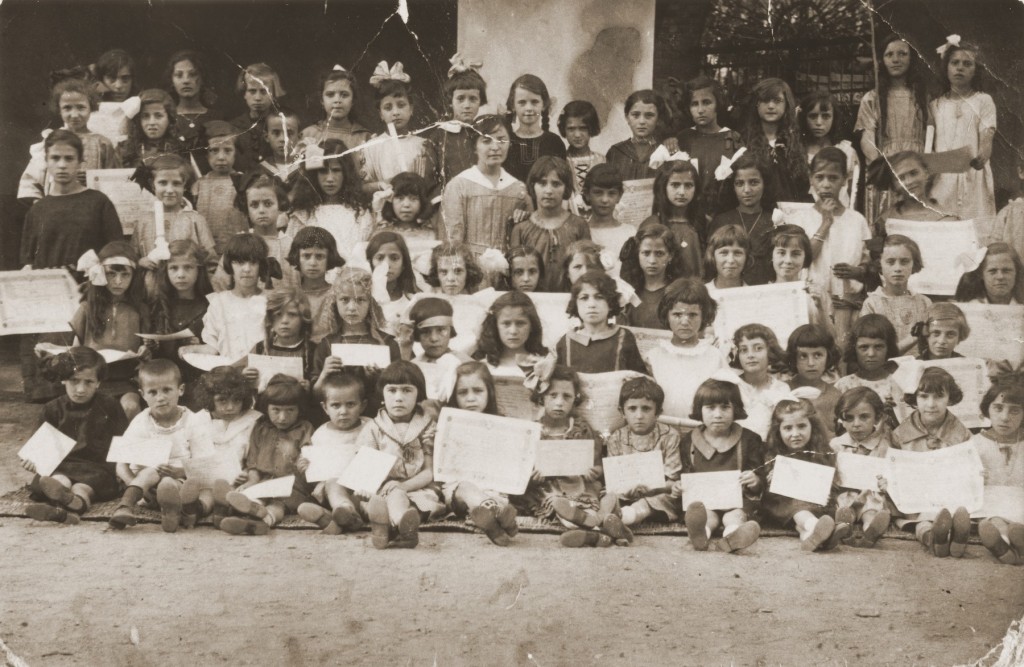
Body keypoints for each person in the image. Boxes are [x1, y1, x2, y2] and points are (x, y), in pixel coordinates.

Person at [18, 130, 123, 402]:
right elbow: (27, 258)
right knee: (45, 387)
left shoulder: (98, 203)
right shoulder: (38, 209)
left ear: (80, 162)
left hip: (86, 299)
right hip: (47, 303)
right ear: (47, 162)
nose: (62, 165)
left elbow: (117, 251)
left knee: (81, 381)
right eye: (56, 158)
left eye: (69, 158)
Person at [21, 348, 127, 524]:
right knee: (56, 480)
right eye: (74, 381)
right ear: (63, 379)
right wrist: (33, 462)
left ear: (98, 382)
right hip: (62, 465)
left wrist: (121, 472)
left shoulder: (110, 406)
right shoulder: (52, 409)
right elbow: (39, 447)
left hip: (96, 467)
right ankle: (65, 504)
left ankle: (67, 505)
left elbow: (123, 442)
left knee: (84, 487)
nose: (80, 389)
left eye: (88, 382)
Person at [108, 359, 213, 531]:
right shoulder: (142, 421)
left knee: (208, 491)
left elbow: (204, 464)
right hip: (146, 488)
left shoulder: (193, 421)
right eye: (153, 392)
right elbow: (121, 464)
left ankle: (187, 510)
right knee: (151, 471)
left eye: (167, 390)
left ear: (181, 390)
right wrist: (135, 487)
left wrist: (181, 471)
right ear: (142, 394)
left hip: (182, 482)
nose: (161, 398)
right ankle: (125, 506)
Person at [787, 147, 871, 346]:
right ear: (811, 178)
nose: (825, 185)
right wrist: (825, 222)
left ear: (845, 179)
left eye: (833, 178)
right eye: (820, 177)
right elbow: (804, 259)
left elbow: (866, 259)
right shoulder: (800, 218)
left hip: (847, 303)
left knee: (843, 350)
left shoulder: (856, 219)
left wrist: (858, 271)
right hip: (813, 302)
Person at [359, 361, 445, 549]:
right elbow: (366, 471)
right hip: (382, 489)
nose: (399, 398)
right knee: (373, 502)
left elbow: (429, 472)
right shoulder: (374, 428)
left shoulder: (427, 426)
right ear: (382, 394)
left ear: (419, 394)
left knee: (416, 503)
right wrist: (368, 486)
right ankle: (400, 527)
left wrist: (402, 487)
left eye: (407, 390)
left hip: (418, 486)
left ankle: (392, 526)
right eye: (392, 390)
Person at [890, 367, 972, 558]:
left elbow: (966, 468)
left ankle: (957, 538)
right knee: (920, 520)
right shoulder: (900, 435)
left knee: (952, 511)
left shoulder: (961, 434)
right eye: (924, 396)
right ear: (914, 398)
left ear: (950, 398)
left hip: (946, 492)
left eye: (938, 397)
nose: (931, 404)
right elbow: (894, 468)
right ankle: (933, 538)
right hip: (914, 497)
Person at [676, 377, 764, 553]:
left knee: (735, 516)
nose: (718, 414)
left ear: (735, 409)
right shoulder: (688, 441)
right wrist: (679, 486)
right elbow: (685, 474)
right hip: (705, 501)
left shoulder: (749, 439)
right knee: (706, 516)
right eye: (710, 408)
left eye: (725, 407)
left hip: (737, 501)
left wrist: (755, 481)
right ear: (699, 410)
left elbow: (760, 473)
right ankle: (701, 535)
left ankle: (733, 537)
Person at [222, 374, 316, 535]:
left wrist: (306, 463)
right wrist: (252, 480)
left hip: (292, 485)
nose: (282, 417)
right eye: (276, 410)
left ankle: (267, 519)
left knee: (278, 504)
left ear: (299, 409)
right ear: (266, 407)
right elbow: (253, 460)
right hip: (264, 481)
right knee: (250, 495)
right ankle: (253, 512)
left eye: (290, 410)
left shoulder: (304, 428)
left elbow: (308, 454)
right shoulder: (261, 428)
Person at [856, 34, 933, 226]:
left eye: (902, 54)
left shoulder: (923, 97)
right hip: (886, 170)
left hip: (915, 170)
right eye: (889, 55)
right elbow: (867, 139)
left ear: (911, 58)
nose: (896, 59)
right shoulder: (872, 98)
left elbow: (932, 136)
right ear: (882, 60)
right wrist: (885, 169)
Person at [442, 362, 519, 546]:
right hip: (458, 489)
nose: (470, 398)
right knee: (467, 488)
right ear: (454, 395)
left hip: (492, 485)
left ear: (489, 392)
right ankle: (497, 515)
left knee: (496, 495)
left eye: (478, 391)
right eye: (463, 392)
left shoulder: (502, 424)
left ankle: (493, 524)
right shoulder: (447, 423)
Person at [71, 242, 150, 419]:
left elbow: (147, 347)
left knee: (130, 407)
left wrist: (145, 351)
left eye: (125, 275)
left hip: (126, 378)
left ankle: (125, 446)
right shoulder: (86, 308)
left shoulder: (140, 310)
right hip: (93, 378)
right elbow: (75, 349)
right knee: (94, 413)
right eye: (111, 274)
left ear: (133, 277)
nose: (118, 281)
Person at [762, 395, 850, 551]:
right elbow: (766, 488)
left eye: (801, 426)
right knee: (797, 507)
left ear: (812, 427)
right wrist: (771, 477)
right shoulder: (773, 455)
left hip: (816, 502)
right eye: (788, 428)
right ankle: (814, 526)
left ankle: (810, 535)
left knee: (813, 512)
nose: (795, 433)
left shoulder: (822, 451)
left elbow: (832, 479)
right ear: (778, 431)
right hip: (784, 504)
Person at [18, 75, 120, 202]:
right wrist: (39, 203)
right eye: (67, 108)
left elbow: (115, 181)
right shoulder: (52, 141)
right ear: (59, 110)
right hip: (57, 205)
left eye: (81, 107)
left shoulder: (102, 143)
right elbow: (31, 180)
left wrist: (93, 178)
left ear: (91, 108)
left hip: (91, 208)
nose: (74, 115)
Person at [440, 114, 529, 256]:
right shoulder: (459, 186)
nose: (495, 147)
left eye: (501, 140)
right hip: (471, 267)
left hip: (508, 267)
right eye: (486, 141)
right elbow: (453, 240)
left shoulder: (518, 189)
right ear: (474, 146)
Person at [602, 377, 683, 529]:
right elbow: (613, 481)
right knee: (607, 497)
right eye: (632, 408)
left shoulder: (670, 436)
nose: (639, 416)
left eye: (646, 409)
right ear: (622, 411)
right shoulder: (616, 438)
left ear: (658, 412)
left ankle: (624, 518)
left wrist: (653, 488)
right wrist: (625, 490)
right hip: (625, 494)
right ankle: (600, 520)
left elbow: (672, 481)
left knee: (661, 500)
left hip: (657, 494)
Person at [930, 38, 996, 221]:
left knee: (974, 228)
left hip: (973, 173)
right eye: (955, 63)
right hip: (943, 178)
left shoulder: (983, 101)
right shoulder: (936, 105)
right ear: (946, 68)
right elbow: (931, 142)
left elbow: (987, 134)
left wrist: (982, 155)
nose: (960, 68)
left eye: (967, 64)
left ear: (976, 71)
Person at [296, 372, 370, 534]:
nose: (343, 411)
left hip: (362, 489)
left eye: (350, 405)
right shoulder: (321, 434)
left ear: (363, 406)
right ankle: (346, 512)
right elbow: (316, 467)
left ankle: (332, 519)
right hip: (333, 490)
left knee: (367, 498)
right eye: (336, 405)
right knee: (332, 483)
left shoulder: (370, 427)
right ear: (325, 408)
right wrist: (306, 467)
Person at [646, 277, 725, 420]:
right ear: (667, 315)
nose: (684, 322)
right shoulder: (653, 356)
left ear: (704, 316)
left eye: (692, 315)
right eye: (677, 314)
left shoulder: (714, 356)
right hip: (664, 429)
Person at [509, 156, 591, 292]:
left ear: (566, 188)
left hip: (568, 300)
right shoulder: (521, 229)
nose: (548, 190)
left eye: (556, 184)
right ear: (532, 186)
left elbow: (586, 269)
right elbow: (516, 275)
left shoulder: (579, 225)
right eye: (542, 183)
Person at [286, 139, 373, 263]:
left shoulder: (360, 214)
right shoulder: (303, 215)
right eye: (323, 171)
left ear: (346, 173)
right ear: (314, 175)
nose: (330, 178)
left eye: (336, 170)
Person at [830, 387, 894, 548]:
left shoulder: (884, 446)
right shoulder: (836, 445)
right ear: (841, 420)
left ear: (877, 417)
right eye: (849, 418)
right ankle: (845, 528)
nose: (856, 424)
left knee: (873, 506)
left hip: (871, 493)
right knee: (843, 505)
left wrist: (887, 482)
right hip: (845, 493)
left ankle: (870, 530)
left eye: (864, 417)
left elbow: (891, 474)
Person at [361, 61, 438, 195]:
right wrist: (382, 184)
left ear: (411, 109)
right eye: (388, 108)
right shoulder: (372, 147)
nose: (395, 112)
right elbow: (363, 187)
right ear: (380, 114)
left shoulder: (422, 145)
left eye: (401, 105)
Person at [973, 374, 1024, 564]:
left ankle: (1019, 543)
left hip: (1020, 498)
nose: (1005, 417)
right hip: (991, 498)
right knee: (994, 520)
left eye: (1014, 411)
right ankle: (1001, 543)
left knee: (1019, 521)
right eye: (998, 408)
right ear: (987, 409)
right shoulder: (976, 443)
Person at [676, 75, 743, 217]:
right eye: (695, 104)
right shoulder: (683, 139)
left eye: (707, 102)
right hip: (689, 215)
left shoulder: (732, 138)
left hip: (723, 215)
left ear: (718, 104)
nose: (700, 110)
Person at [555, 270, 646, 374]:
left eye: (599, 297)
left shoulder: (623, 336)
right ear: (576, 304)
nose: (592, 304)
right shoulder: (567, 341)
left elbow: (638, 378)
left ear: (611, 304)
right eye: (584, 298)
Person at [709, 153, 777, 285]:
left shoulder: (774, 219)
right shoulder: (721, 221)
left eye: (754, 182)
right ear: (732, 187)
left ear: (765, 183)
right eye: (739, 183)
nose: (746, 190)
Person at [202, 234, 272, 360]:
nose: (246, 269)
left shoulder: (270, 301)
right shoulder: (219, 302)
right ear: (229, 265)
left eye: (253, 262)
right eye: (239, 262)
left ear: (261, 266)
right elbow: (212, 346)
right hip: (229, 372)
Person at [740, 78, 809, 203]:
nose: (771, 106)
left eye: (777, 101)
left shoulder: (795, 141)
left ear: (786, 104)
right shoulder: (743, 141)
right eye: (765, 100)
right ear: (757, 104)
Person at [859, 235, 931, 354]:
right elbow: (874, 353)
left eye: (904, 262)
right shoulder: (872, 304)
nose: (898, 268)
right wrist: (914, 337)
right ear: (879, 265)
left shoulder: (924, 302)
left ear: (914, 264)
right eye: (890, 262)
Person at [835, 314, 907, 428]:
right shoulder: (844, 386)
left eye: (878, 347)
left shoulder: (900, 383)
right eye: (864, 347)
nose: (871, 354)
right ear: (854, 349)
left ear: (889, 348)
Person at [431, 53, 488, 186]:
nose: (467, 105)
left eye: (473, 99)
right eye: (460, 99)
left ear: (480, 101)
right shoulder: (439, 136)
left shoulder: (485, 132)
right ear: (450, 101)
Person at [619, 224, 689, 329]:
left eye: (659, 254)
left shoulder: (679, 293)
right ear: (637, 254)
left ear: (670, 256)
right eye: (646, 253)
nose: (652, 261)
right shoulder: (628, 292)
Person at [193, 120, 247, 254]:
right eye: (214, 151)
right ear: (206, 154)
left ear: (235, 153)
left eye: (228, 150)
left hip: (235, 249)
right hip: (205, 249)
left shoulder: (243, 181)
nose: (221, 157)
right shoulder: (199, 184)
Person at [642, 159, 703, 275]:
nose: (682, 192)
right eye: (675, 185)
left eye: (688, 185)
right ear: (663, 187)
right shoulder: (652, 224)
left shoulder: (703, 223)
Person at [166, 50, 222, 174]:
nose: (186, 80)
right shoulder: (166, 118)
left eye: (192, 74)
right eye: (179, 75)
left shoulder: (216, 117)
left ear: (202, 79)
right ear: (172, 81)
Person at [798, 90, 858, 207]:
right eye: (813, 116)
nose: (819, 122)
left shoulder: (846, 151)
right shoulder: (798, 150)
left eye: (825, 116)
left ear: (834, 118)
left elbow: (852, 194)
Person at [502, 74, 567, 182]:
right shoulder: (506, 143)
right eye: (522, 102)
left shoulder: (554, 143)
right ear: (513, 106)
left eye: (534, 102)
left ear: (544, 105)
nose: (529, 108)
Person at [287, 227, 344, 344]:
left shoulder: (338, 294)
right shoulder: (289, 296)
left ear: (329, 258)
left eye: (319, 256)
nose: (313, 263)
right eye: (306, 256)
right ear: (297, 257)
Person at [785, 324, 842, 435]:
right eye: (803, 356)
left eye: (818, 355)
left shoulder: (836, 396)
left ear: (828, 357)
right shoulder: (783, 390)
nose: (811, 363)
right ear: (793, 359)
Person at [300, 65, 371, 153]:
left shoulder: (364, 137)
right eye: (330, 95)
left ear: (353, 100)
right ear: (322, 100)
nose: (337, 100)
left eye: (344, 95)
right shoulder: (309, 134)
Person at [231, 63, 285, 172]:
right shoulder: (234, 127)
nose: (258, 98)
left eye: (264, 91)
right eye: (252, 91)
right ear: (244, 94)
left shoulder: (283, 124)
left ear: (273, 94)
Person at [606, 89, 668, 181]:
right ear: (627, 117)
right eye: (635, 115)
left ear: (658, 119)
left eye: (649, 115)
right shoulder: (616, 152)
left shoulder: (664, 151)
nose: (642, 121)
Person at [116, 88, 183, 168]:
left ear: (170, 119)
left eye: (158, 116)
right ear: (138, 120)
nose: (152, 122)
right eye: (145, 116)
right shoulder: (123, 150)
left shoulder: (181, 149)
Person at [558, 99, 605, 205]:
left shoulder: (602, 160)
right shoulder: (560, 162)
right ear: (564, 130)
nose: (577, 135)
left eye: (583, 128)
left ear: (591, 129)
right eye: (571, 129)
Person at [954, 242, 1024, 305]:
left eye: (1006, 270)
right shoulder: (970, 307)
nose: (1000, 277)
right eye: (992, 271)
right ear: (981, 275)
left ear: (1016, 272)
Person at [704, 224, 749, 293]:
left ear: (747, 257)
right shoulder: (703, 293)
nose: (731, 260)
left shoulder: (754, 295)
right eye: (724, 253)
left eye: (737, 253)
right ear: (712, 256)